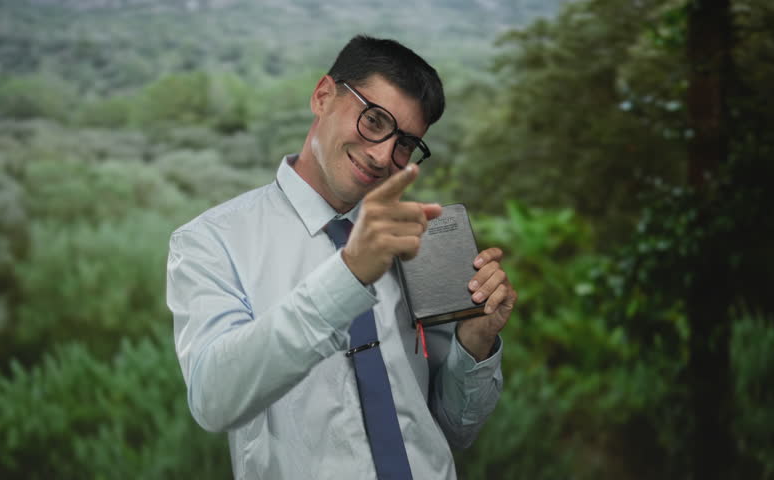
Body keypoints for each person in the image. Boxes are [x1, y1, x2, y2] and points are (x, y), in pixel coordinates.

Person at [166, 35, 517, 479]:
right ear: (323, 97)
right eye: (374, 120)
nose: (382, 155)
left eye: (406, 143)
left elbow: (454, 428)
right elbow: (214, 401)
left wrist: (476, 341)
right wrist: (348, 276)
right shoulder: (211, 241)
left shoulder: (417, 237)